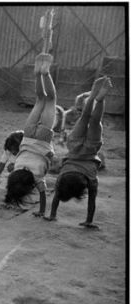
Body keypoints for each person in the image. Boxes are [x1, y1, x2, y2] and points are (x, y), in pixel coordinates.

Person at [45, 76, 112, 229]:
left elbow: (91, 201)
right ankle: (94, 96)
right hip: (74, 147)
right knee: (85, 117)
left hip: (90, 150)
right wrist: (52, 214)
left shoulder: (90, 180)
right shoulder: (62, 177)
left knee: (95, 121)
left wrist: (89, 220)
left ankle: (100, 100)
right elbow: (57, 197)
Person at [4, 52, 56, 216]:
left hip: (42, 140)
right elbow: (11, 168)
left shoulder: (37, 179)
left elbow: (42, 195)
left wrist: (41, 212)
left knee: (52, 99)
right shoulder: (15, 171)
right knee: (40, 99)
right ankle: (38, 74)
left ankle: (46, 73)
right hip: (27, 136)